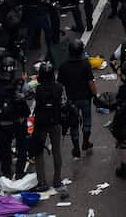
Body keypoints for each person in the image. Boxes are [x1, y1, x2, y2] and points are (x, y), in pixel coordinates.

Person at [29, 61, 68, 192]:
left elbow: (30, 102)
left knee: (38, 152)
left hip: (40, 123)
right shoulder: (60, 87)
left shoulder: (36, 88)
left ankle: (42, 182)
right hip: (55, 122)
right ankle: (57, 180)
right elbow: (63, 103)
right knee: (56, 151)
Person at [59, 39, 96, 156]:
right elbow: (91, 82)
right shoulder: (85, 64)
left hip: (71, 100)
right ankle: (85, 142)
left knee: (74, 124)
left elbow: (60, 84)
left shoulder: (63, 66)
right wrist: (96, 95)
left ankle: (76, 148)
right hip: (85, 98)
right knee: (87, 121)